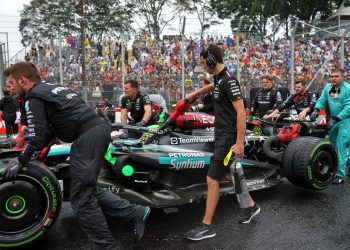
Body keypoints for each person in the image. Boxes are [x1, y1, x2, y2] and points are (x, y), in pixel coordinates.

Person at [2, 62, 150, 250]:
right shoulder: (50, 87)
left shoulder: (33, 97)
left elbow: (38, 136)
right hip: (94, 133)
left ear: (22, 80)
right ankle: (137, 212)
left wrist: (21, 161)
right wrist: (31, 154)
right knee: (87, 189)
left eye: (11, 83)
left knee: (82, 200)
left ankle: (108, 247)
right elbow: (48, 131)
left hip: (88, 136)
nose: (10, 89)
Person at [183, 44, 260, 241]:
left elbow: (242, 113)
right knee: (227, 174)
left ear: (211, 61)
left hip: (228, 137)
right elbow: (213, 86)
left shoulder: (229, 81)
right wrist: (195, 94)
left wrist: (240, 143)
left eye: (203, 63)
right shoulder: (219, 78)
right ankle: (251, 206)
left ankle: (207, 226)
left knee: (212, 178)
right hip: (220, 133)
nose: (202, 67)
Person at [309, 68, 350, 184]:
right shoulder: (328, 88)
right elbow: (322, 100)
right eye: (332, 76)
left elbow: (348, 107)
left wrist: (336, 119)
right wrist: (316, 110)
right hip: (333, 120)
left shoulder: (348, 89)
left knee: (342, 146)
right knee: (333, 145)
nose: (333, 78)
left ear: (343, 77)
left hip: (346, 121)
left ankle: (340, 175)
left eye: (336, 76)